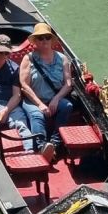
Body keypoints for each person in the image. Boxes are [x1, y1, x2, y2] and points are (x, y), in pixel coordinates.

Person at [19, 23, 75, 155]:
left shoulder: (62, 58)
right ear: (35, 42)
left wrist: (56, 99)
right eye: (40, 38)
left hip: (54, 98)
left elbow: (68, 84)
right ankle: (41, 147)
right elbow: (24, 85)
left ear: (51, 40)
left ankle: (55, 143)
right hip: (33, 100)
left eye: (47, 37)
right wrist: (40, 104)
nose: (44, 40)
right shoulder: (28, 58)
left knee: (67, 106)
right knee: (37, 114)